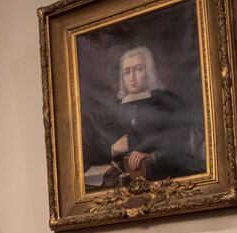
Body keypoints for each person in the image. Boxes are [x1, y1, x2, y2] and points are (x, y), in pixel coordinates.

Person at [82, 45, 205, 181]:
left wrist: (153, 156)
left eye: (138, 69)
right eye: (127, 72)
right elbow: (97, 145)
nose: (132, 77)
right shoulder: (114, 108)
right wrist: (113, 149)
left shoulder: (167, 100)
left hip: (164, 175)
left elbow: (182, 140)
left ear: (149, 72)